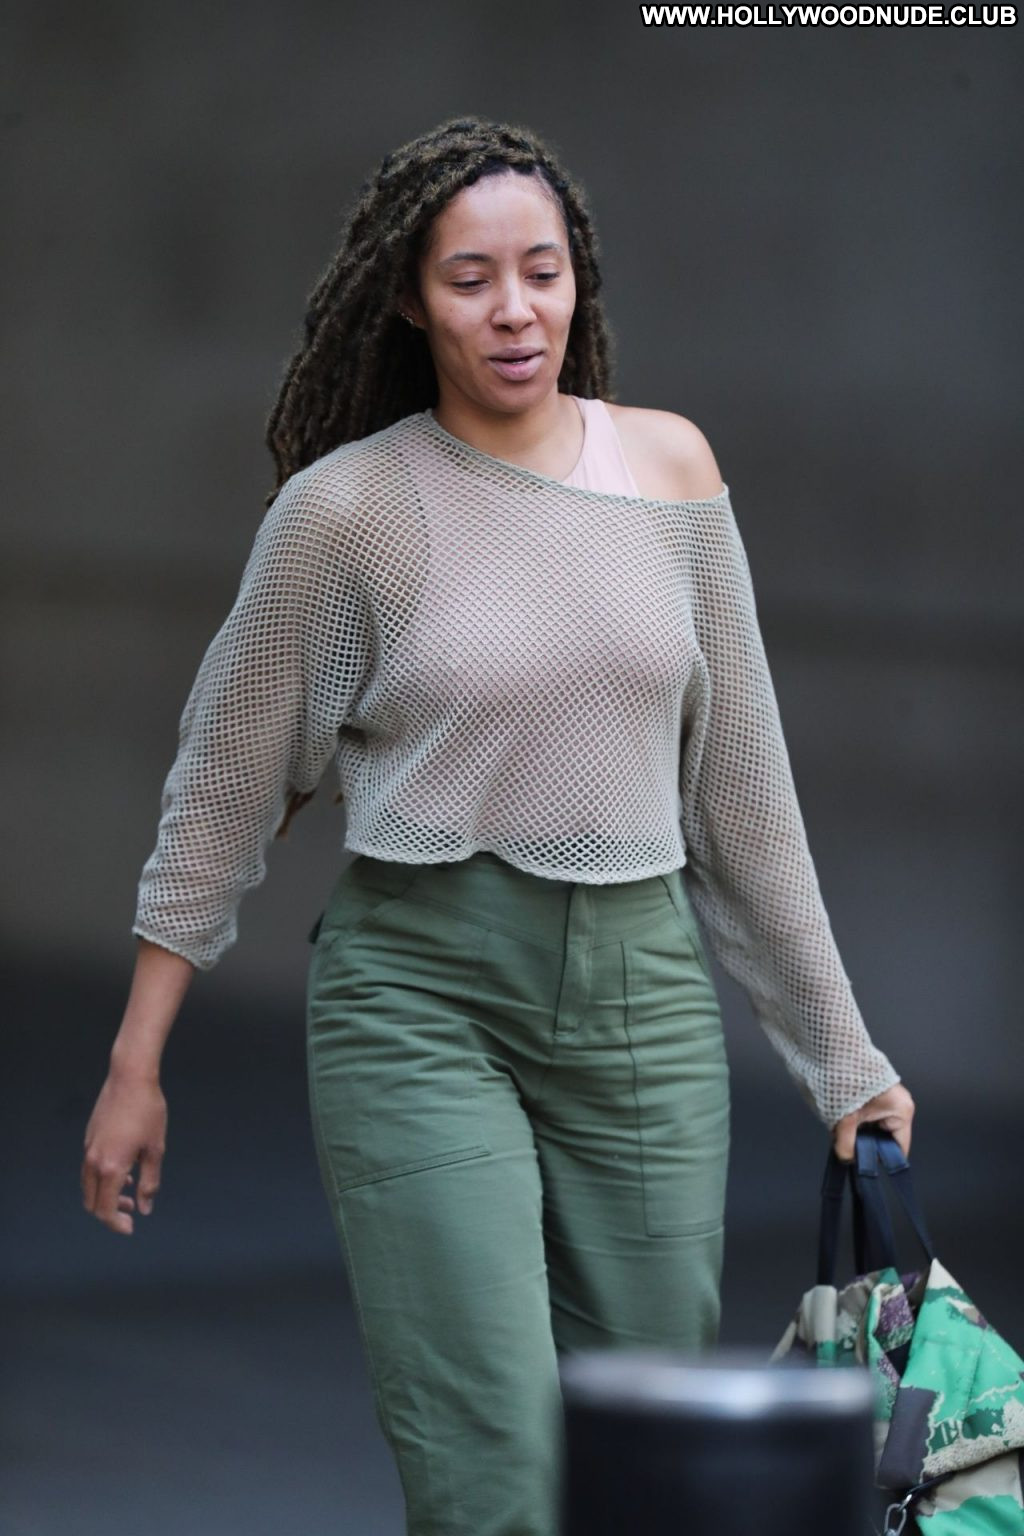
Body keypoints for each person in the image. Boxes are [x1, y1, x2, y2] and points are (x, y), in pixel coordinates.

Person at [81, 115, 915, 1536]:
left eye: (541, 271)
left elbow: (743, 802)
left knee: (648, 1473)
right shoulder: (345, 514)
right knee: (498, 1476)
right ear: (411, 300)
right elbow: (225, 784)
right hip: (421, 999)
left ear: (578, 278)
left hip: (644, 1006)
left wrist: (844, 1061)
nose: (514, 309)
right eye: (470, 280)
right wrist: (134, 1060)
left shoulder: (670, 474)